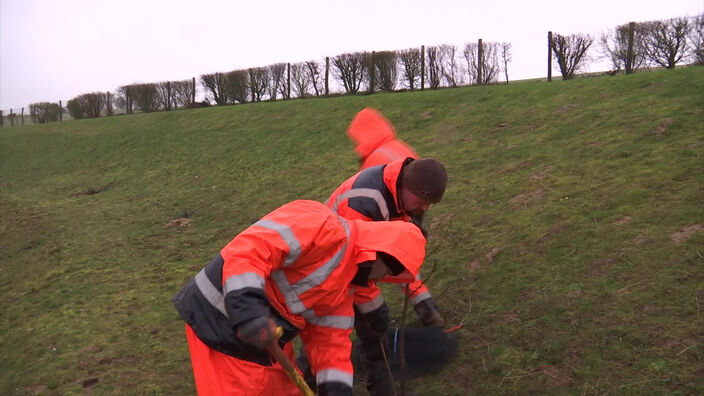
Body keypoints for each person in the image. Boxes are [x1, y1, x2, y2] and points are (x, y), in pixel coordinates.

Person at [173, 199, 426, 396]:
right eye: (390, 272)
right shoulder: (322, 225)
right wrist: (248, 311)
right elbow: (250, 250)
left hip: (266, 339)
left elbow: (331, 347)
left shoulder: (343, 288)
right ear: (383, 255)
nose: (382, 279)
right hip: (220, 322)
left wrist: (336, 391)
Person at [326, 108, 448, 395]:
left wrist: (418, 296)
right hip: (333, 261)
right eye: (424, 202)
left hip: (359, 250)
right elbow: (359, 265)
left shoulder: (404, 186)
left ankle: (381, 384)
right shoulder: (363, 202)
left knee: (369, 326)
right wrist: (375, 307)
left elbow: (397, 251)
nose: (426, 210)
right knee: (346, 328)